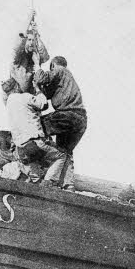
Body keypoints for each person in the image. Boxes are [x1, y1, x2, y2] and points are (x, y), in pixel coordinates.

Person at [34, 55, 87, 191]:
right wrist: (39, 89)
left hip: (68, 115)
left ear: (53, 65)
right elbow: (47, 93)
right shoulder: (66, 80)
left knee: (36, 125)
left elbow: (41, 78)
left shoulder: (60, 70)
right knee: (65, 151)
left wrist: (36, 65)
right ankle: (68, 184)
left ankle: (35, 165)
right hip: (80, 120)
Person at [0, 78, 66, 185]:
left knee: (35, 178)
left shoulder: (9, 104)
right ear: (16, 87)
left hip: (20, 149)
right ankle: (48, 183)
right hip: (35, 144)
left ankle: (39, 184)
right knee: (61, 156)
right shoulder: (24, 97)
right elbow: (43, 104)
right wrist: (38, 89)